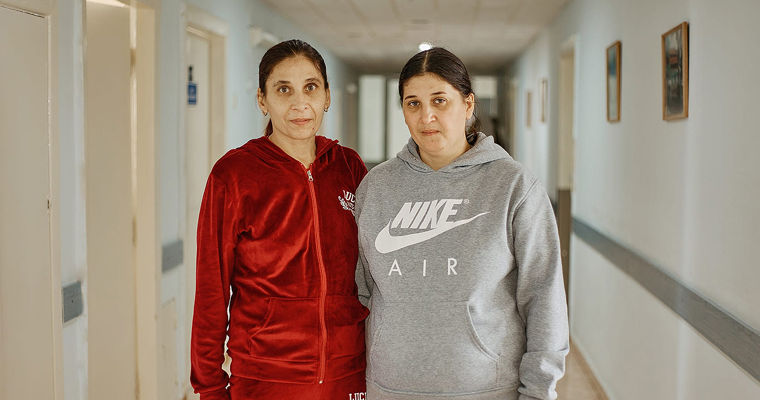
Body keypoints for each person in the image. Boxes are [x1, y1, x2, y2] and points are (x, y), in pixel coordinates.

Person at [354, 47, 568, 400]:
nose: (426, 116)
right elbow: (361, 291)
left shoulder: (513, 185)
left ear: (468, 105)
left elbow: (543, 298)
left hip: (487, 389)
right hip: (389, 388)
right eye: (413, 103)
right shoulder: (376, 187)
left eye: (440, 101)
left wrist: (538, 391)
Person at [191, 39, 369, 400]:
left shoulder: (349, 167)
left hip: (348, 372)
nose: (300, 104)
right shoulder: (234, 174)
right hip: (266, 375)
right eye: (284, 89)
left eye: (310, 87)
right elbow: (211, 289)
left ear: (327, 96)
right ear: (262, 100)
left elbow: (374, 273)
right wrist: (210, 389)